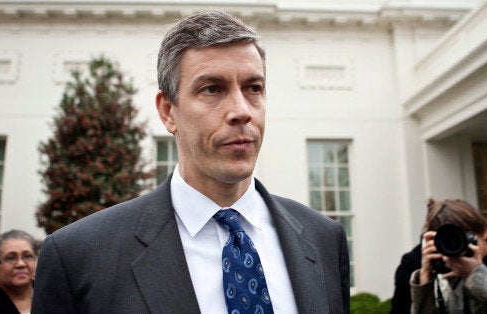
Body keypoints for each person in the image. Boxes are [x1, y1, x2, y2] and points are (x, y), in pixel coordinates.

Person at [31, 10, 350, 314]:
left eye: (254, 88)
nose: (242, 110)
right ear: (168, 111)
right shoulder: (78, 256)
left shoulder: (323, 239)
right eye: (212, 89)